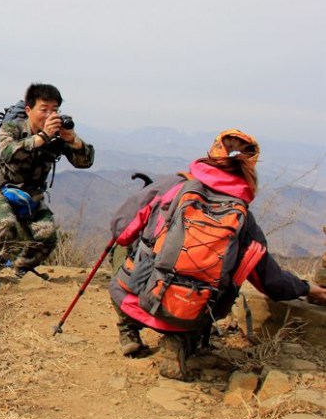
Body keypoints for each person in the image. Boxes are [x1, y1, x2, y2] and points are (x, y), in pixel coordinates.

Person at [107, 129, 326, 380]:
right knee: (232, 273)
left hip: (137, 302)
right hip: (192, 314)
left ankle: (128, 329)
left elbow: (120, 230)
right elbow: (270, 280)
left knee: (124, 247)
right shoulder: (244, 219)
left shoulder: (172, 186)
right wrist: (308, 288)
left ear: (211, 153)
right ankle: (180, 342)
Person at [0, 83, 94, 293]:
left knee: (48, 236)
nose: (50, 115)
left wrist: (73, 141)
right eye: (44, 109)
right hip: (0, 189)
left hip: (31, 195)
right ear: (29, 110)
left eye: (55, 110)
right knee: (6, 224)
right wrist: (42, 138)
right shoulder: (13, 128)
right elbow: (7, 153)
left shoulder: (58, 135)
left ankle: (18, 271)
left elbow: (85, 162)